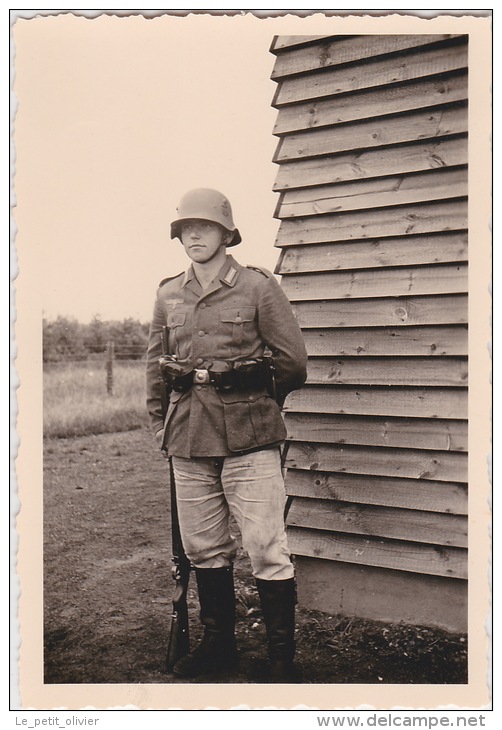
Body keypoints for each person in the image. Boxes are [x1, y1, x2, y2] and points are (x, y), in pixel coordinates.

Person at [146, 187, 308, 682]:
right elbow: (155, 365)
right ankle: (220, 647)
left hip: (250, 438)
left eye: (204, 227)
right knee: (202, 547)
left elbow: (293, 362)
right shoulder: (168, 292)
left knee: (265, 546)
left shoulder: (257, 287)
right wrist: (160, 424)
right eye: (185, 229)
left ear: (225, 231)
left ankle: (281, 658)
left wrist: (260, 406)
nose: (193, 235)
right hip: (189, 439)